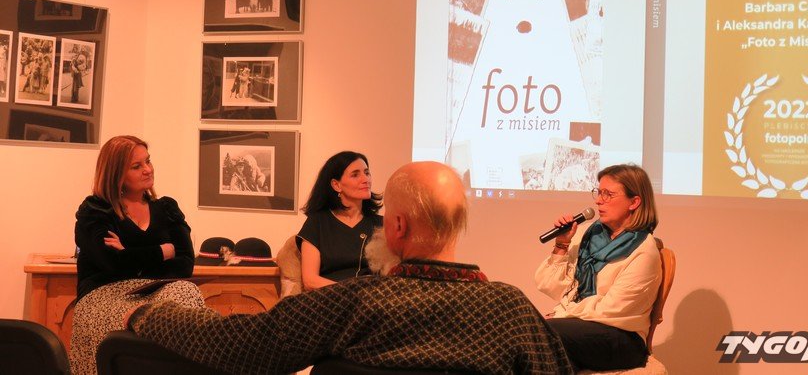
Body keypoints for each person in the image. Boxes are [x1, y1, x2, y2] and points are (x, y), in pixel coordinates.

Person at [125, 161, 572, 374]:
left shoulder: (354, 302)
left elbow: (239, 344)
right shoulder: (510, 311)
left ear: (397, 227)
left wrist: (150, 315)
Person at [70, 135, 205, 375]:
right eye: (136, 166)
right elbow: (111, 264)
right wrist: (163, 251)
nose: (148, 169)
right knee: (160, 315)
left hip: (157, 290)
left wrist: (129, 254)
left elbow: (185, 264)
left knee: (186, 291)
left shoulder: (166, 208)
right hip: (105, 294)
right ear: (116, 174)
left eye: (148, 161)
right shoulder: (96, 210)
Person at [534, 163, 661, 372]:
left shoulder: (644, 251)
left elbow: (611, 310)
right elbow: (551, 286)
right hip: (581, 328)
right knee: (546, 353)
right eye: (598, 192)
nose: (598, 200)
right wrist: (562, 245)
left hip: (621, 338)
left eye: (608, 194)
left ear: (634, 202)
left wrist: (564, 314)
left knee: (545, 332)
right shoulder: (587, 234)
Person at [295, 150, 383, 289]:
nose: (365, 179)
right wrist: (350, 291)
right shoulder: (317, 222)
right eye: (355, 175)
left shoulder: (382, 224)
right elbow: (310, 280)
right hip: (329, 296)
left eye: (367, 173)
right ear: (336, 185)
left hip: (371, 297)